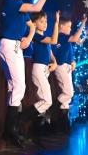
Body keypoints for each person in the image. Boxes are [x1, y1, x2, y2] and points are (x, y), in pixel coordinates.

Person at [0, 0, 51, 148]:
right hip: (9, 45)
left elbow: (31, 25)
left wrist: (28, 38)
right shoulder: (10, 2)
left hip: (16, 46)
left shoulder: (19, 6)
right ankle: (10, 129)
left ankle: (11, 128)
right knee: (19, 86)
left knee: (15, 87)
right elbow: (37, 7)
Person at [21, 10, 59, 147]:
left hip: (45, 70)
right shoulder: (36, 36)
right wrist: (56, 23)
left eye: (46, 21)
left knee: (42, 105)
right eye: (42, 21)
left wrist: (55, 63)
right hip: (38, 68)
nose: (45, 24)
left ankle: (35, 136)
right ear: (34, 24)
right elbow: (54, 40)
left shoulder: (44, 38)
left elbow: (51, 54)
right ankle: (21, 119)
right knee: (47, 101)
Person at [53, 14, 86, 133]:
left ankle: (63, 125)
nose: (70, 29)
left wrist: (73, 61)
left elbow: (68, 53)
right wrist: (82, 25)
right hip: (61, 66)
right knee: (68, 93)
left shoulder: (66, 40)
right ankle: (51, 110)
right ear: (61, 27)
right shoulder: (62, 36)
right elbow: (75, 38)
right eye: (68, 26)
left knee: (66, 98)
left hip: (67, 67)